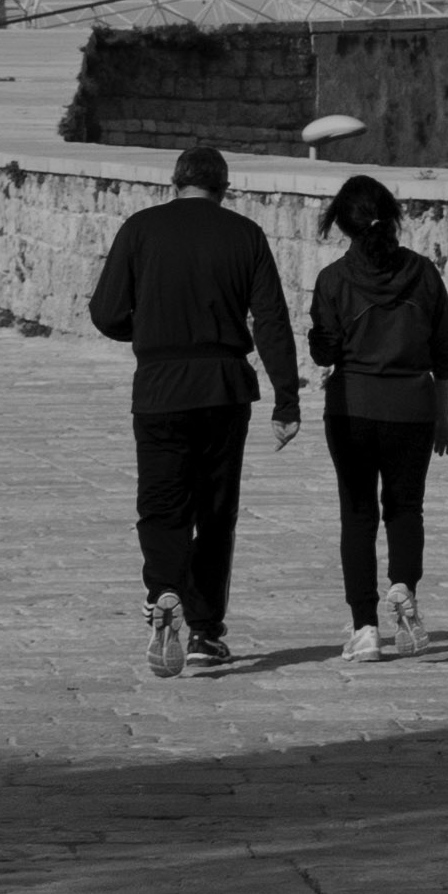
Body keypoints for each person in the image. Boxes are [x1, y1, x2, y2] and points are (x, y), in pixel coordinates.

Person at [87, 137, 302, 678]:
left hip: (159, 388)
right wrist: (286, 399)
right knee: (215, 510)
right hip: (224, 391)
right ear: (224, 190)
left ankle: (163, 593)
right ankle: (206, 632)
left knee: (161, 504)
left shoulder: (140, 228)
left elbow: (106, 311)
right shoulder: (246, 235)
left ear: (174, 183)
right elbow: (271, 320)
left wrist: (152, 329)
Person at [308, 170, 448, 662]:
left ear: (342, 225)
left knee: (357, 516)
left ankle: (365, 628)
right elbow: (445, 353)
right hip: (412, 409)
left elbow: (324, 351)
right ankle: (403, 588)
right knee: (405, 508)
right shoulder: (423, 273)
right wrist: (443, 415)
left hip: (352, 409)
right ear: (391, 217)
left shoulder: (333, 280)